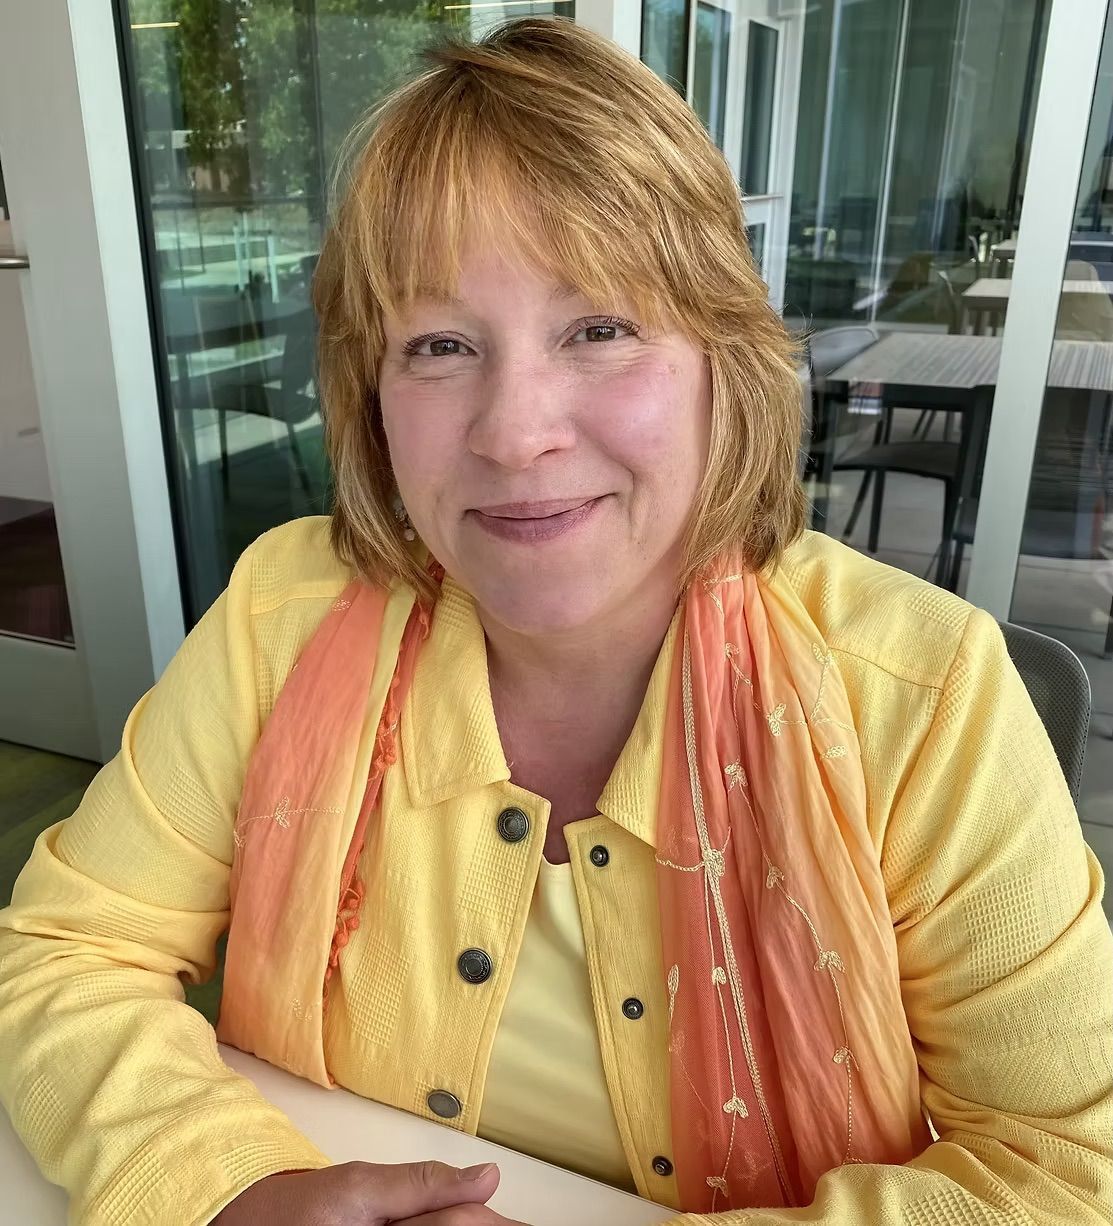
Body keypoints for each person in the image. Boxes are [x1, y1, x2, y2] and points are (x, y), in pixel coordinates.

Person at [1, 18, 1111, 1226]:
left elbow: (1068, 1171)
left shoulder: (929, 697)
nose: (514, 432)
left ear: (722, 358)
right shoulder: (283, 614)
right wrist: (228, 1185)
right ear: (371, 396)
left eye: (600, 328)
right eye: (440, 345)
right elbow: (65, 953)